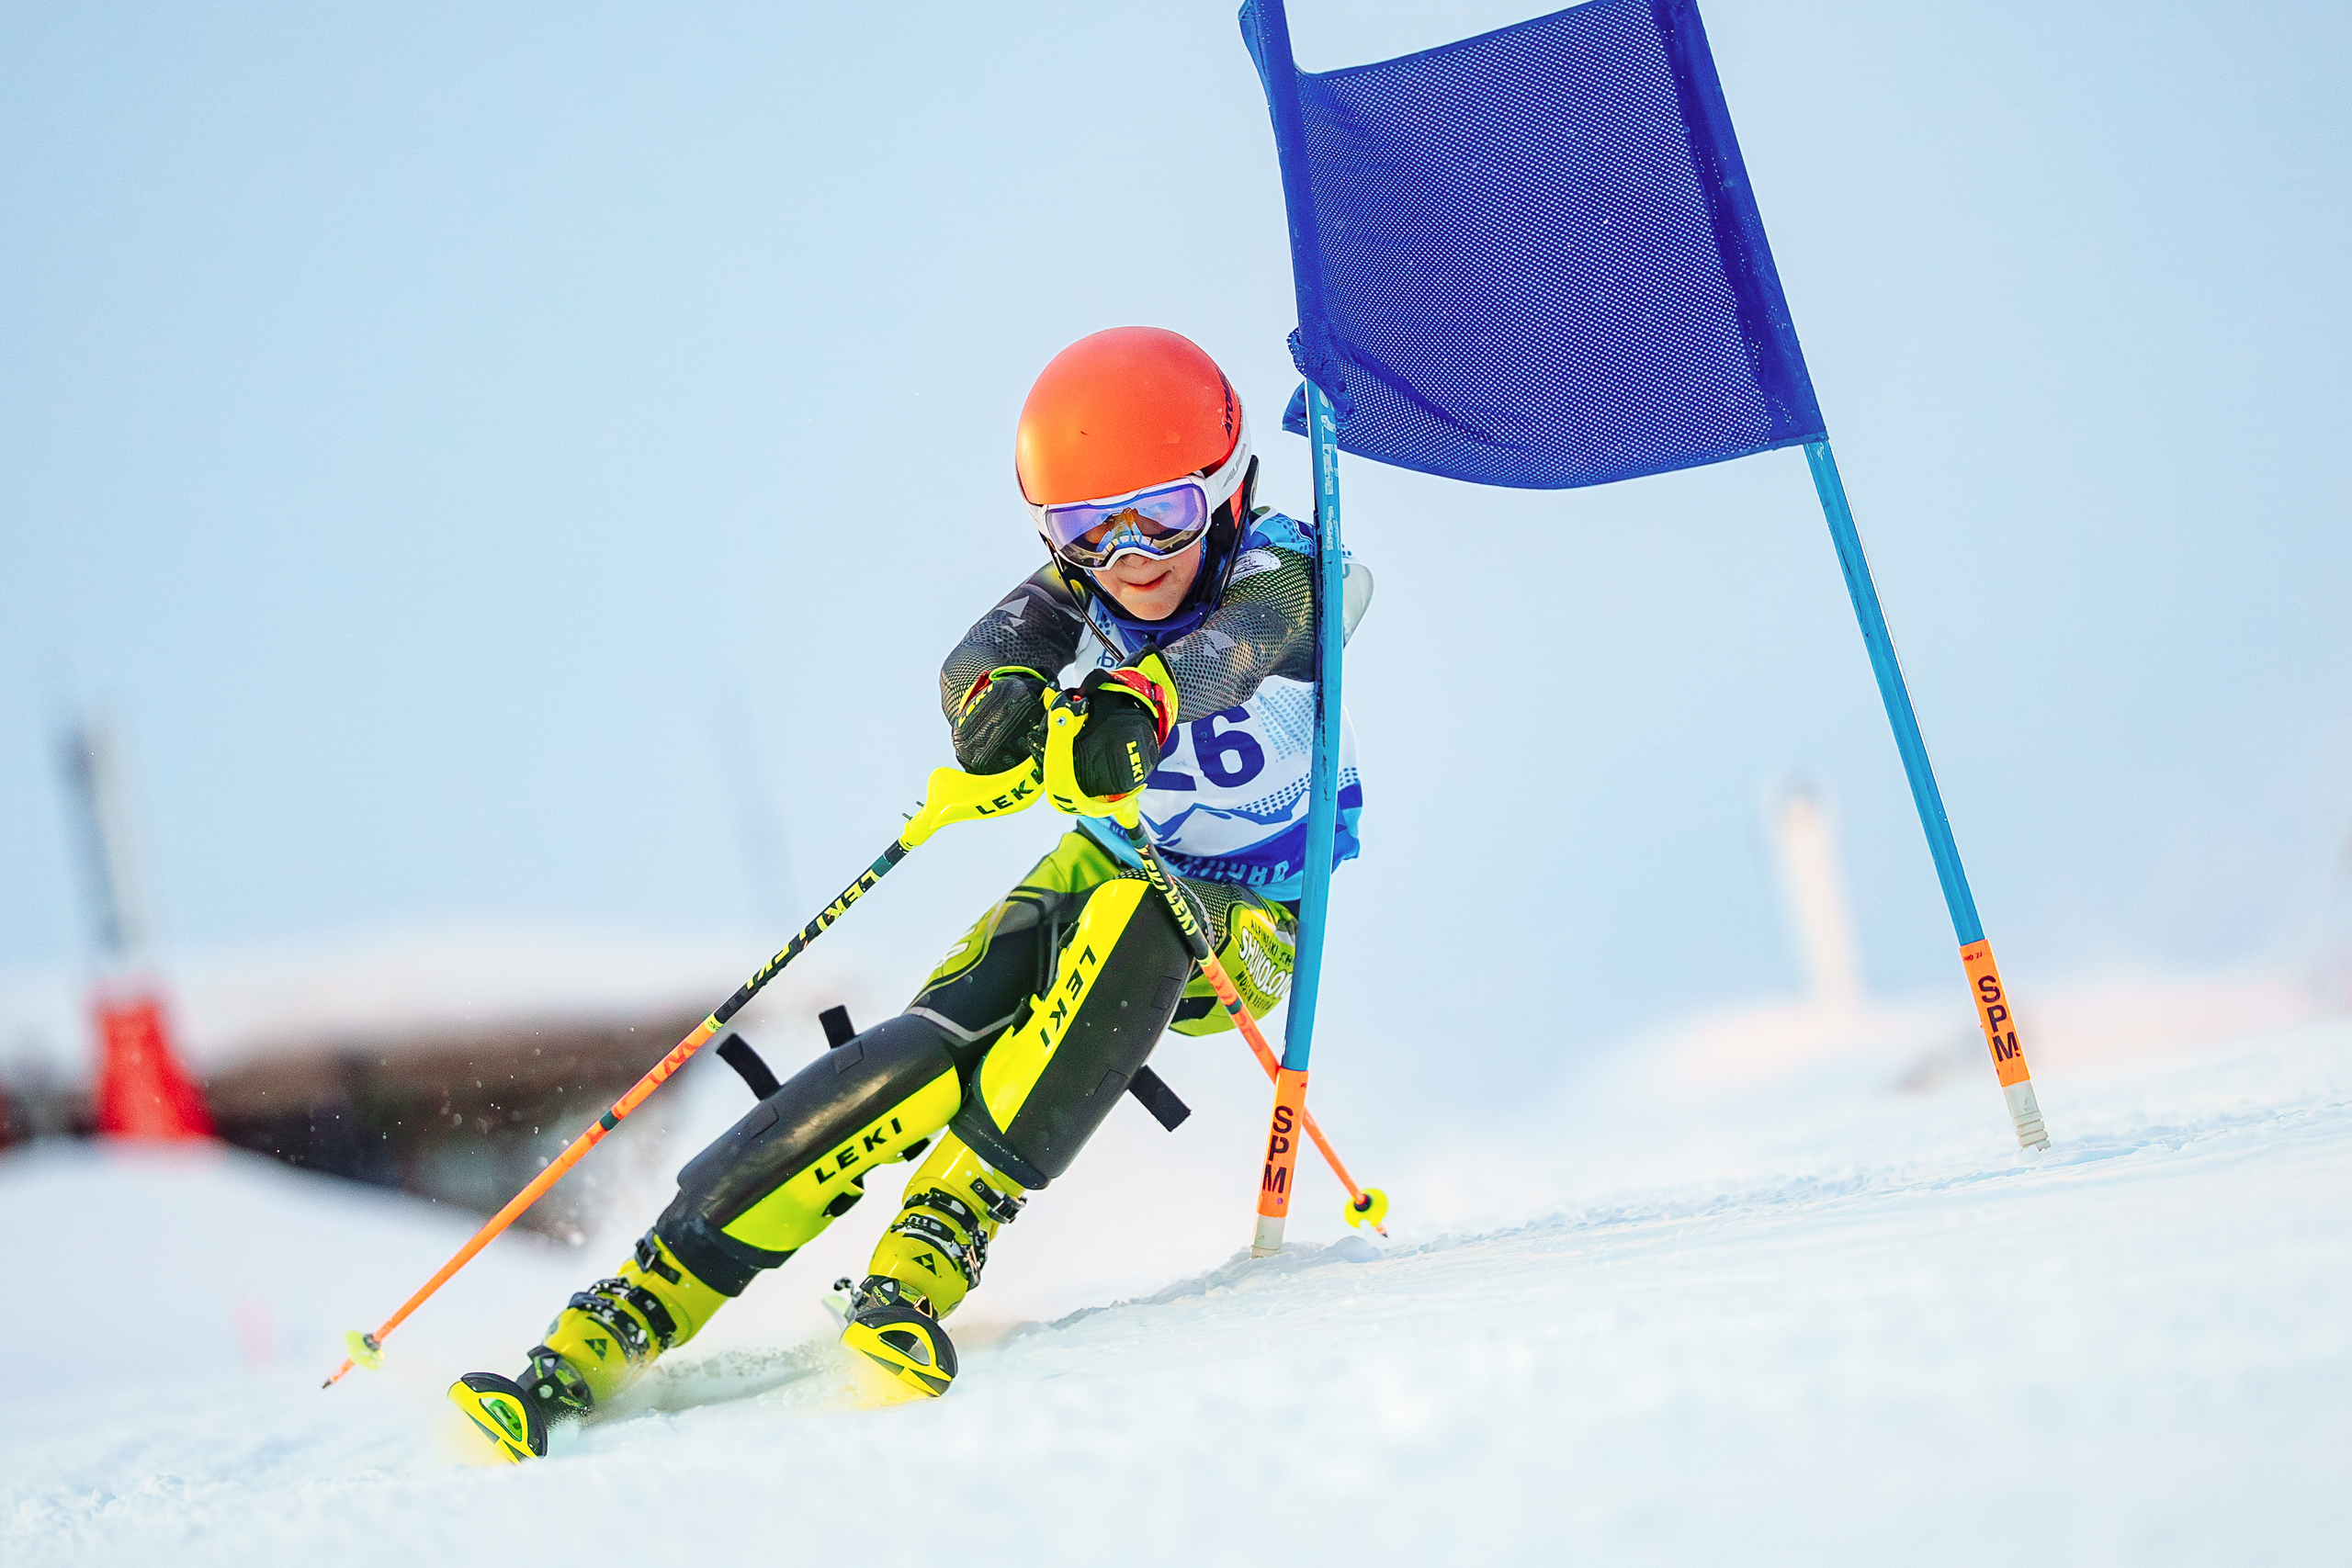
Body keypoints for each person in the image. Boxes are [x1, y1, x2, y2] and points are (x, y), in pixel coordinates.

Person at [447, 325, 1365, 1461]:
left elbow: (1252, 635)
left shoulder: (1293, 568)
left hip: (1252, 915)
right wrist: (996, 705)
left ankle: (937, 1236)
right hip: (1107, 858)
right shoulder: (1083, 586)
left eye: (1162, 515)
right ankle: (634, 1302)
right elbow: (977, 659)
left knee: (1140, 921)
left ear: (1225, 493)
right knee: (935, 1040)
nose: (1128, 554)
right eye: (1085, 528)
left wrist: (1140, 701)